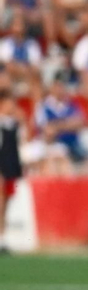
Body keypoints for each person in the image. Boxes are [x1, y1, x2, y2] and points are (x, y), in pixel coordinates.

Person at [0, 89, 24, 252]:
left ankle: (3, 237)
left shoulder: (14, 124)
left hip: (11, 168)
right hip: (2, 168)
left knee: (6, 204)